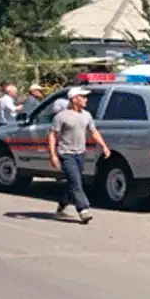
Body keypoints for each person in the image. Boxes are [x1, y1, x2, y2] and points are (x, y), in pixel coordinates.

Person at [48, 87, 111, 224]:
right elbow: (53, 135)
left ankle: (63, 202)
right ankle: (83, 209)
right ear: (74, 99)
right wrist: (53, 155)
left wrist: (104, 146)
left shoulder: (86, 115)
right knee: (75, 181)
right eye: (83, 97)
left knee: (73, 182)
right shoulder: (62, 116)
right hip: (66, 153)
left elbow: (93, 132)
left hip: (80, 154)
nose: (86, 100)